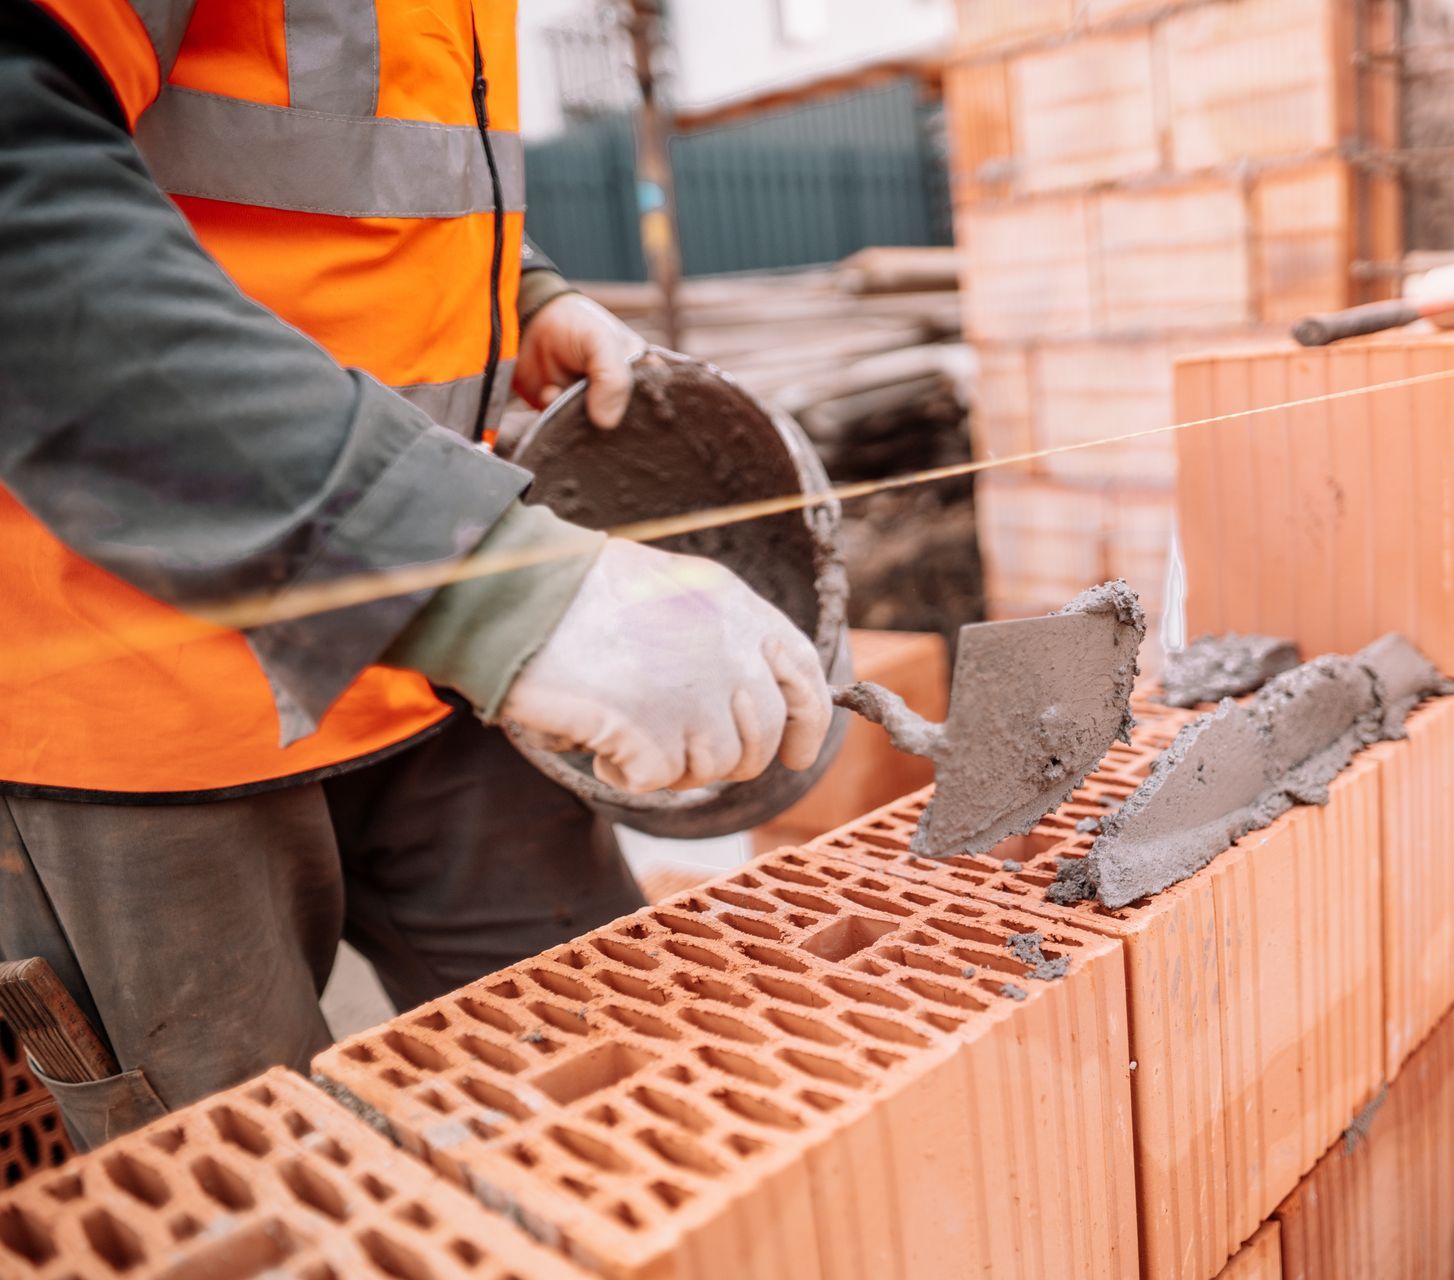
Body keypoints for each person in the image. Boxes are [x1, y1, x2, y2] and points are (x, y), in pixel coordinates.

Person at [0, 0, 832, 1148]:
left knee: (632, 1104)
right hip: (142, 691)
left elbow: (355, 155)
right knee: (252, 1191)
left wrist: (523, 290)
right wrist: (493, 584)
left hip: (436, 673)